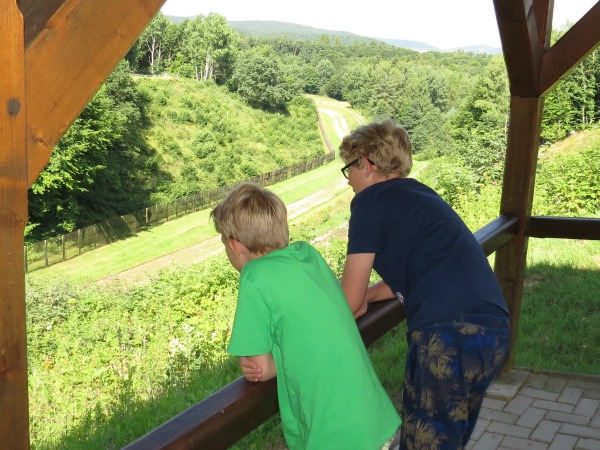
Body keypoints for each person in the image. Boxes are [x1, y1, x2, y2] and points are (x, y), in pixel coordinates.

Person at [338, 119, 511, 450]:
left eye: (349, 169)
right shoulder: (419, 194)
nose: (349, 182)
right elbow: (423, 267)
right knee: (446, 440)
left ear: (366, 164)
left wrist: (348, 301)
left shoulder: (369, 201)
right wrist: (371, 296)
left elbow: (348, 300)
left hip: (448, 335)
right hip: (492, 330)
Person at [210, 182, 401, 450]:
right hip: (381, 424)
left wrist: (251, 360)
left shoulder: (254, 276)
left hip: (337, 438)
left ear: (234, 245)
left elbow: (260, 369)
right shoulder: (307, 255)